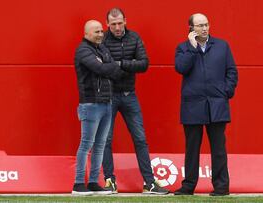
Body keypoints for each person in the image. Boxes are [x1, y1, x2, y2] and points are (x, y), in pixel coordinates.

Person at [102, 8, 169, 195]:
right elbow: (103, 68)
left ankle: (149, 183)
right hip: (108, 96)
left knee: (140, 139)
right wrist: (126, 65)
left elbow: (144, 64)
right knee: (105, 140)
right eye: (113, 24)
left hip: (129, 95)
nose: (117, 27)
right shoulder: (103, 40)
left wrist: (120, 64)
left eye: (120, 23)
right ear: (107, 24)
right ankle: (110, 181)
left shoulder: (134, 37)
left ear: (125, 20)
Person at [174, 13, 238, 196]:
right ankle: (188, 186)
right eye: (200, 25)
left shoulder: (222, 46)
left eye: (206, 24)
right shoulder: (183, 48)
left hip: (217, 104)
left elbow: (231, 71)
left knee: (218, 148)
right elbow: (181, 68)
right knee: (192, 148)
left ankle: (221, 187)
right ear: (191, 29)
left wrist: (226, 91)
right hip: (192, 105)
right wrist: (193, 49)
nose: (204, 28)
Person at [72, 20, 127, 196]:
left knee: (100, 145)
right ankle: (78, 184)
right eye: (96, 32)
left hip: (106, 103)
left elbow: (112, 69)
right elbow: (101, 68)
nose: (100, 34)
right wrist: (107, 65)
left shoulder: (102, 48)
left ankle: (94, 182)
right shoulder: (83, 50)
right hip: (90, 103)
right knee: (86, 144)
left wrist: (107, 65)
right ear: (86, 33)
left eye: (101, 31)